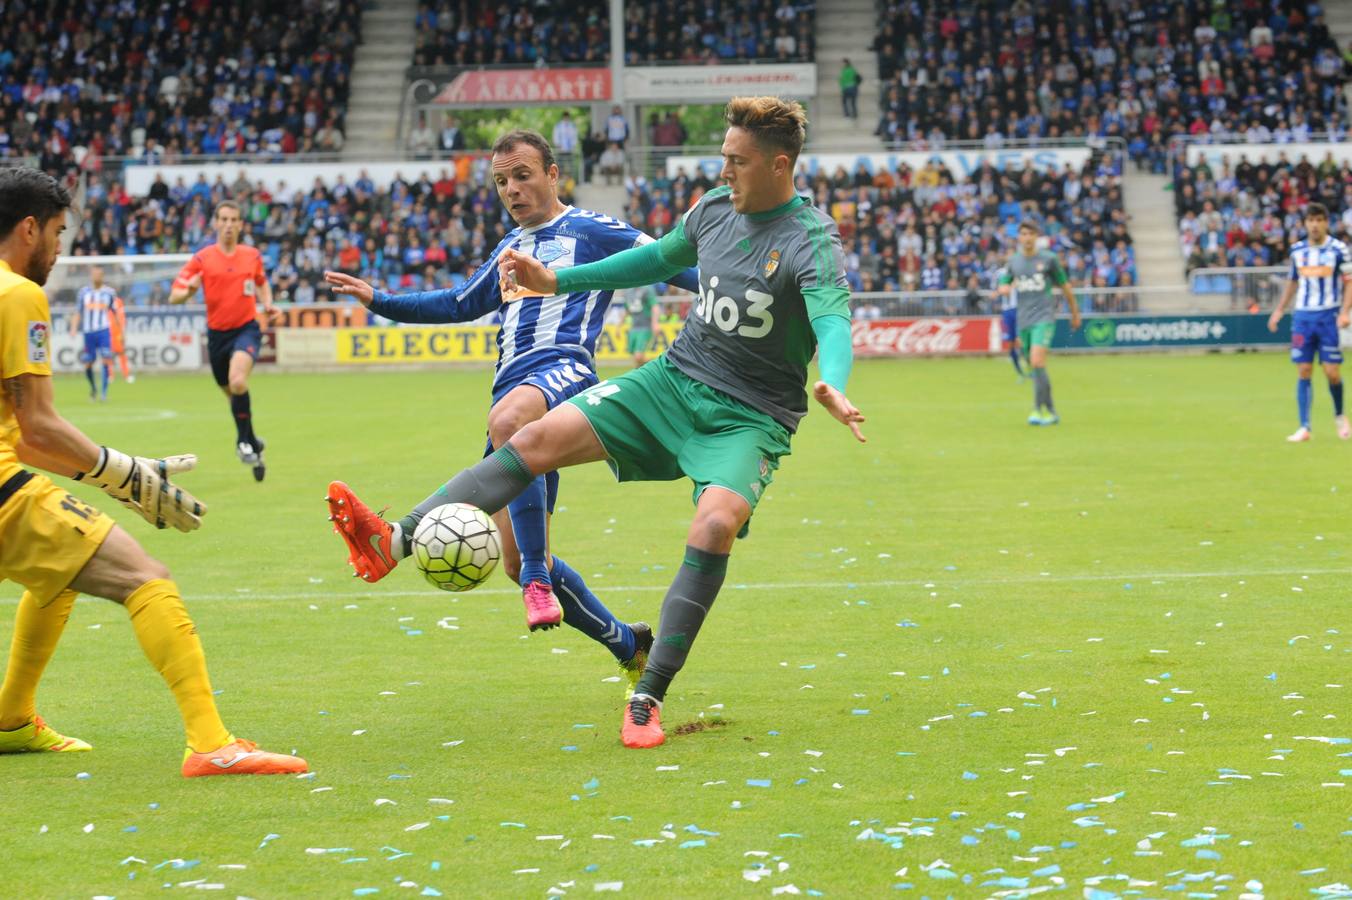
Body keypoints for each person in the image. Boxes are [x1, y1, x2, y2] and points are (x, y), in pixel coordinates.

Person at [325, 96, 866, 749]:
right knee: (529, 438)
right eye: (723, 159)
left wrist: (833, 376)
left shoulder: (810, 239)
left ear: (780, 166)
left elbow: (832, 316)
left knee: (717, 522)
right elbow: (650, 262)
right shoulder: (713, 210)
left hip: (748, 416)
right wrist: (557, 282)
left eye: (738, 162)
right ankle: (395, 540)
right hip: (671, 381)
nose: (725, 172)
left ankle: (647, 695)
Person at [323, 130, 697, 680]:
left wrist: (731, 291)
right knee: (513, 558)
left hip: (564, 371)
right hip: (513, 390)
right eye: (502, 181)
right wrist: (379, 299)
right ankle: (628, 645)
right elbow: (456, 302)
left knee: (510, 428)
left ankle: (530, 577)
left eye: (522, 175)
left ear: (552, 173)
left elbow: (669, 262)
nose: (512, 190)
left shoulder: (592, 230)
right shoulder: (507, 248)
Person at [0, 167, 305, 777]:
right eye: (58, 234)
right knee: (145, 575)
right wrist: (126, 473)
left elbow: (21, 436)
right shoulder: (17, 295)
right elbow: (38, 424)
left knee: (58, 575)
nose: (61, 251)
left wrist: (117, 475)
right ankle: (210, 743)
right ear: (29, 228)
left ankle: (10, 719)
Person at [168, 201, 282, 481]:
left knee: (238, 381)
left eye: (234, 219)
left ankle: (243, 444)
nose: (229, 224)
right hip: (217, 336)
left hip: (247, 329)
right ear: (216, 223)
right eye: (224, 219)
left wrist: (268, 303)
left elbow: (261, 282)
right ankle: (254, 443)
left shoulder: (251, 255)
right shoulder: (202, 258)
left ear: (241, 224)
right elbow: (175, 295)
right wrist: (188, 291)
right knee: (233, 396)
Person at [1266, 203, 1352, 442]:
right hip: (1303, 317)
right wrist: (1280, 310)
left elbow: (1349, 282)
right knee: (1304, 369)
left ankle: (1340, 414)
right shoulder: (1298, 250)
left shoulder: (1338, 249)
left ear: (1326, 222)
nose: (1314, 225)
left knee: (1332, 372)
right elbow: (1292, 282)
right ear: (1305, 223)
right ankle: (1305, 426)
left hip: (1328, 316)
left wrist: (1345, 312)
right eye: (1310, 220)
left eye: (1319, 220)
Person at [998, 221, 1081, 425]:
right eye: (1023, 233)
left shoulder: (1049, 259)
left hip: (1044, 317)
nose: (1026, 237)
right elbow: (1004, 281)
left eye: (1030, 234)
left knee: (1037, 361)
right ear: (1019, 237)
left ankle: (1036, 410)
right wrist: (1004, 288)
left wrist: (1075, 313)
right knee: (1036, 366)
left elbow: (1065, 287)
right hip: (1023, 319)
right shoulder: (1014, 261)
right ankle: (1051, 411)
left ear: (1036, 237)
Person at [71, 266, 116, 401]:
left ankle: (104, 393)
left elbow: (115, 312)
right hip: (88, 332)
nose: (96, 277)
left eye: (99, 274)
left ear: (102, 276)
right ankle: (93, 388)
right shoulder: (84, 292)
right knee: (88, 363)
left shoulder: (109, 293)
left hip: (104, 330)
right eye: (94, 274)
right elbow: (78, 312)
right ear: (91, 276)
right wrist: (73, 328)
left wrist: (121, 332)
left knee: (106, 359)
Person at [992, 265, 1024, 379]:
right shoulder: (999, 272)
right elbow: (997, 290)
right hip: (1006, 311)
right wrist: (998, 291)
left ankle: (1030, 367)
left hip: (1018, 309)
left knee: (1019, 340)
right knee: (1010, 342)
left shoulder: (1019, 270)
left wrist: (1007, 288)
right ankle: (1020, 372)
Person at [624, 284, 661, 367]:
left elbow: (655, 307)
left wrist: (655, 323)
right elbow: (627, 309)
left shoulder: (647, 289)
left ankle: (659, 366)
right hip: (633, 327)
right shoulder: (628, 291)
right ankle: (643, 375)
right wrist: (619, 326)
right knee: (637, 359)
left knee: (638, 356)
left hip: (645, 327)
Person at [107, 282, 133, 384]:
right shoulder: (104, 302)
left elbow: (122, 317)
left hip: (118, 331)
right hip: (107, 331)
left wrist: (123, 331)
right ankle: (110, 376)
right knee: (108, 355)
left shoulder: (118, 302)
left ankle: (126, 375)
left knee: (122, 353)